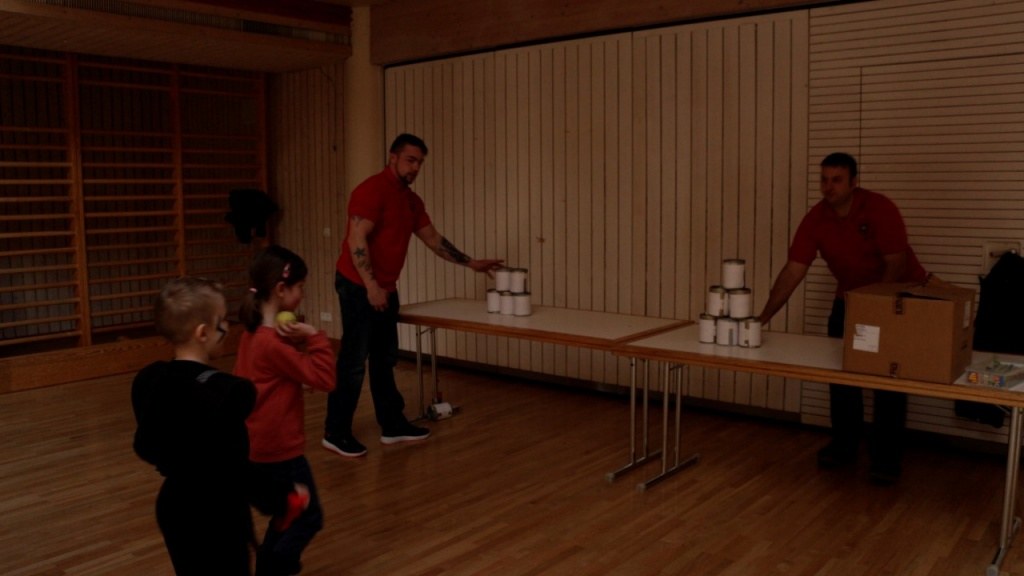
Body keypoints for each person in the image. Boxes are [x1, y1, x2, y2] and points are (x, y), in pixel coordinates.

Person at [322, 133, 504, 458]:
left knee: (385, 358)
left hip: (385, 287)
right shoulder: (371, 190)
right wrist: (371, 287)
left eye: (419, 162)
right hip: (357, 285)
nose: (415, 167)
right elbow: (356, 239)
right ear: (393, 157)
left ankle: (392, 426)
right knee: (354, 360)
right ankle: (335, 432)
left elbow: (434, 239)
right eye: (410, 160)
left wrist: (471, 263)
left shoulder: (411, 201)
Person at [756, 152, 927, 486]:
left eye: (836, 180)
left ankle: (886, 458)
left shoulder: (879, 208)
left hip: (895, 299)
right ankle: (845, 446)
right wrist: (762, 316)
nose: (828, 187)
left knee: (888, 380)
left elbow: (896, 263)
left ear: (854, 182)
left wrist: (875, 310)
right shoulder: (816, 218)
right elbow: (794, 270)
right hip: (849, 299)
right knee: (842, 373)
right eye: (823, 180)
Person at [132, 276, 303, 575]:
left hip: (173, 505)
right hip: (216, 514)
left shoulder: (151, 378)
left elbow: (148, 443)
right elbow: (234, 468)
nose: (227, 328)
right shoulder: (227, 393)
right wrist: (283, 498)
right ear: (203, 332)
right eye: (222, 321)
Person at [235, 245, 335, 576]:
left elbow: (258, 381)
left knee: (288, 512)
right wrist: (314, 337)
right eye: (300, 287)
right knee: (309, 516)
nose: (302, 294)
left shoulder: (252, 335)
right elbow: (326, 379)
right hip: (280, 453)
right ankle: (273, 568)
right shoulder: (271, 343)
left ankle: (270, 564)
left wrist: (292, 377)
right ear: (281, 289)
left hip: (256, 446)